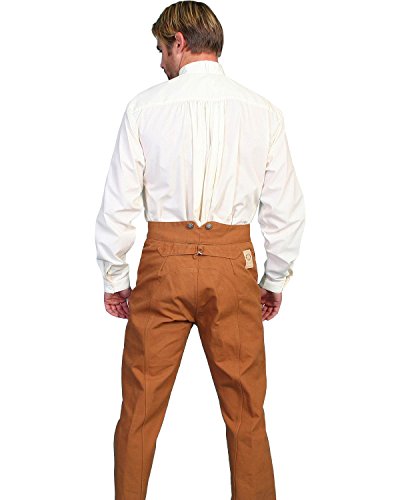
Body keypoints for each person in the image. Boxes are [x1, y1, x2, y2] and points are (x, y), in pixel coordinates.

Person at [94, 1, 306, 498]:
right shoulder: (262, 111)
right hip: (234, 264)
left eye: (161, 49)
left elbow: (119, 202)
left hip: (162, 264)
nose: (160, 61)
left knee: (139, 409)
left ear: (180, 42)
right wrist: (274, 278)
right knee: (246, 411)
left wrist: (115, 277)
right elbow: (285, 208)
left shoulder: (145, 108)